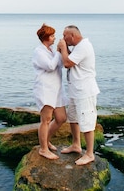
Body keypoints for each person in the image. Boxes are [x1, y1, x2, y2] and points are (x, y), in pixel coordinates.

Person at [57, 25, 100, 166]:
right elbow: (70, 58)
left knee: (87, 121)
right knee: (73, 118)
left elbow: (67, 63)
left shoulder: (84, 46)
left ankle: (89, 154)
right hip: (75, 90)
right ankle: (76, 144)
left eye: (65, 36)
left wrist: (63, 49)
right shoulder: (78, 46)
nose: (63, 38)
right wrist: (65, 49)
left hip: (84, 91)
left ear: (73, 36)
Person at [32, 23, 67, 159]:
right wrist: (59, 52)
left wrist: (62, 51)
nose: (54, 38)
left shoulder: (51, 50)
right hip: (45, 89)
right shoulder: (39, 52)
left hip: (56, 89)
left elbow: (61, 64)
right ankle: (43, 149)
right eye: (52, 36)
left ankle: (46, 140)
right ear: (45, 37)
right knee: (46, 119)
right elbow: (51, 66)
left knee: (61, 118)